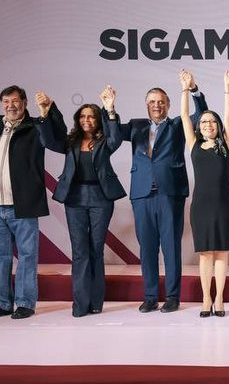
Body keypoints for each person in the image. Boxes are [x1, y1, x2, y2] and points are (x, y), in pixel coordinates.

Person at [120, 75, 207, 313]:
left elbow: (201, 116)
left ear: (168, 104)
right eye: (152, 102)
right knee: (147, 248)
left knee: (171, 247)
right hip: (142, 194)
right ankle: (150, 296)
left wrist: (194, 90)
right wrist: (109, 110)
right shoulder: (136, 126)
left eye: (161, 101)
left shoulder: (177, 125)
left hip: (170, 193)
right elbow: (112, 133)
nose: (156, 105)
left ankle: (172, 296)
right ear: (146, 105)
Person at [37, 86, 126, 317]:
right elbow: (46, 139)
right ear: (78, 119)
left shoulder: (106, 141)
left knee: (95, 249)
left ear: (98, 120)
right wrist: (46, 113)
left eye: (92, 116)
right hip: (74, 199)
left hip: (101, 199)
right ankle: (80, 303)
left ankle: (96, 303)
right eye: (83, 116)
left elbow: (117, 138)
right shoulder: (70, 142)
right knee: (79, 251)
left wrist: (110, 109)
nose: (87, 120)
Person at [0, 86, 66, 319]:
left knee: (27, 256)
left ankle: (25, 303)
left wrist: (50, 111)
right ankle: (3, 303)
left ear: (25, 103)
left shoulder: (36, 126)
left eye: (15, 101)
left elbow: (58, 142)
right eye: (6, 101)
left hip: (24, 203)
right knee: (1, 257)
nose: (11, 105)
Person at [180, 69, 229, 318]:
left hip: (224, 205)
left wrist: (226, 88)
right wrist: (185, 88)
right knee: (205, 255)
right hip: (201, 206)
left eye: (212, 122)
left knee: (221, 253)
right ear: (198, 127)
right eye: (204, 122)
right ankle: (206, 299)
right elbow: (183, 115)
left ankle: (220, 299)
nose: (209, 124)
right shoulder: (193, 144)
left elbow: (228, 115)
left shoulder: (227, 144)